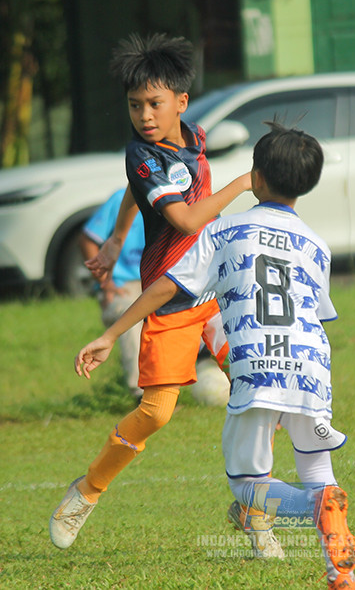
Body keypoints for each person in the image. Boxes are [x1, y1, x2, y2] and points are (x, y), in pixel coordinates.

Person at [74, 122, 355, 589]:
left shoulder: (225, 231)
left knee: (248, 487)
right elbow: (315, 312)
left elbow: (169, 286)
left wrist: (112, 333)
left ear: (256, 177)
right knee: (316, 468)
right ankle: (341, 574)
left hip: (256, 373)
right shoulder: (317, 245)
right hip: (313, 371)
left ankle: (315, 508)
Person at [49, 32, 252, 550]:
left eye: (154, 103)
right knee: (157, 413)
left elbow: (134, 194)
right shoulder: (141, 155)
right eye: (135, 105)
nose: (144, 114)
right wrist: (246, 182)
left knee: (261, 388)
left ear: (181, 104)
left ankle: (254, 509)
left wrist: (117, 238)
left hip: (217, 291)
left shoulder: (194, 138)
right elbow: (183, 220)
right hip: (171, 296)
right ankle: (86, 491)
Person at [78, 188, 147, 399]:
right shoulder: (121, 199)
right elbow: (88, 239)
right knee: (130, 314)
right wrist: (106, 284)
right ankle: (141, 393)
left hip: (157, 281)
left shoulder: (174, 196)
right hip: (123, 284)